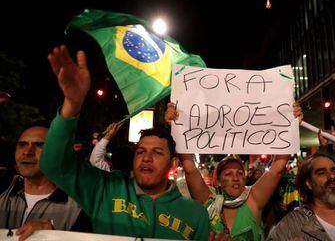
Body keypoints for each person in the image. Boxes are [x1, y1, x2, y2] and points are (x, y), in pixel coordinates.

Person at [40, 45, 209, 240]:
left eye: (157, 153)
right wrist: (72, 104)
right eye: (140, 151)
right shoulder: (105, 189)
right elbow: (53, 165)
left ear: (172, 164)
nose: (146, 158)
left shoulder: (197, 215)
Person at [165, 101, 303, 240]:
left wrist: (290, 125)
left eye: (240, 173)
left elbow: (277, 169)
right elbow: (190, 169)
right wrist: (177, 127)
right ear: (217, 181)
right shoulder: (207, 199)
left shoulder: (253, 199)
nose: (236, 177)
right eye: (228, 174)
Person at [0, 121, 91, 241]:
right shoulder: (3, 187)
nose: (27, 152)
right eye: (22, 144)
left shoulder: (79, 207)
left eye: (39, 145)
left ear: (59, 152)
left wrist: (55, 237)